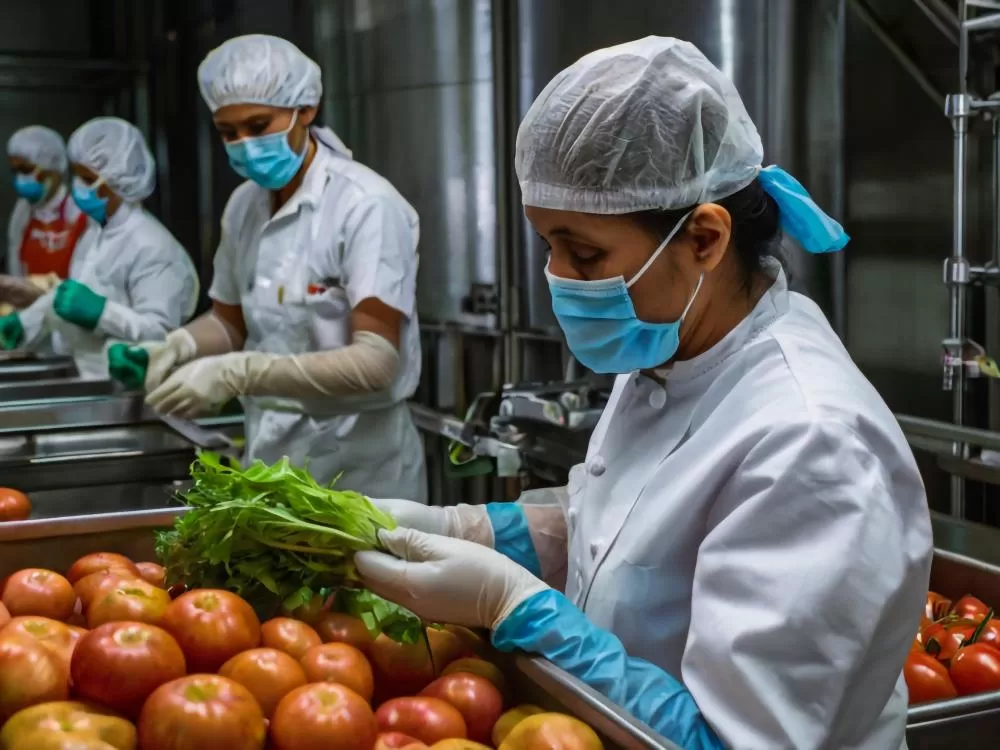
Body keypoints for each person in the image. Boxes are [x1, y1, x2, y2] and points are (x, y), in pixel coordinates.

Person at [354, 37, 932, 750]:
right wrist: (472, 531)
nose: (557, 277)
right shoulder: (673, 339)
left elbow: (739, 741)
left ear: (705, 238)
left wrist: (516, 606)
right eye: (548, 245)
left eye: (584, 253)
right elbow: (626, 531)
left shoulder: (812, 444)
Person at [107, 35, 426, 500]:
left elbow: (375, 363)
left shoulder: (365, 205)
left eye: (258, 125)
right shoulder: (244, 206)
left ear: (306, 110)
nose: (244, 145)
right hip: (271, 457)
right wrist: (177, 346)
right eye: (228, 132)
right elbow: (228, 322)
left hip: (360, 469)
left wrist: (239, 372)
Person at [0, 117, 198, 377]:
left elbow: (163, 334)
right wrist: (27, 323)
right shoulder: (96, 233)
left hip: (130, 384)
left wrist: (102, 313)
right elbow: (70, 301)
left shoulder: (152, 247)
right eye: (77, 175)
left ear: (118, 181)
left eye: (87, 178)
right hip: (87, 375)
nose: (77, 186)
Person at [1, 125, 89, 311]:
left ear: (53, 170)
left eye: (26, 170)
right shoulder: (22, 210)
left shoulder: (81, 211)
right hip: (29, 312)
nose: (20, 179)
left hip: (69, 313)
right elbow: (16, 264)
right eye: (15, 171)